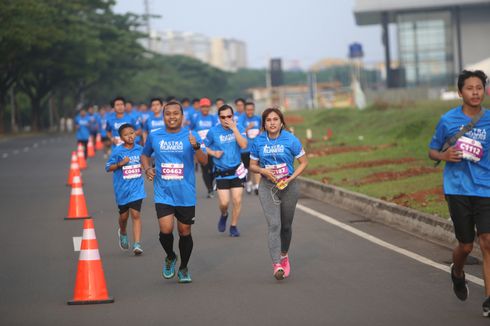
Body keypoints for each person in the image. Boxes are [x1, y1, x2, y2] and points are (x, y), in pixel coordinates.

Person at [429, 70, 490, 317]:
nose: (475, 92)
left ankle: (488, 299)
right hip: (458, 188)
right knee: (465, 245)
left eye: (479, 87)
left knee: (487, 241)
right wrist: (444, 156)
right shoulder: (448, 120)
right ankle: (457, 271)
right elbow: (432, 151)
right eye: (470, 88)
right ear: (460, 92)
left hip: (486, 188)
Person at [141, 101, 208, 283]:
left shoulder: (191, 136)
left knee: (184, 231)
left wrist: (196, 147)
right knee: (166, 229)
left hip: (185, 192)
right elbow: (144, 154)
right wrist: (147, 169)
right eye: (168, 114)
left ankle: (184, 267)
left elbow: (204, 161)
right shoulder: (155, 136)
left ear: (182, 116)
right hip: (163, 191)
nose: (172, 117)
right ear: (163, 117)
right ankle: (170, 256)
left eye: (175, 113)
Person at [249, 107, 308, 280]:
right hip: (268, 187)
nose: (272, 123)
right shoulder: (258, 141)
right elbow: (251, 165)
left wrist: (291, 179)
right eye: (268, 120)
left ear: (281, 122)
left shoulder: (291, 140)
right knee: (274, 224)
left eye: (275, 119)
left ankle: (284, 255)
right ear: (264, 124)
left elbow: (304, 162)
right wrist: (263, 171)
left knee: (286, 226)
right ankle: (276, 266)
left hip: (289, 186)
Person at [204, 104, 248, 237]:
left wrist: (234, 129)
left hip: (236, 171)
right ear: (219, 118)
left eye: (229, 116)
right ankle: (224, 214)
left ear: (233, 116)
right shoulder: (213, 131)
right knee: (224, 203)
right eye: (223, 117)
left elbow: (244, 145)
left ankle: (233, 226)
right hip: (221, 172)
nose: (226, 119)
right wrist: (213, 152)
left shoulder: (239, 128)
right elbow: (202, 146)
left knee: (237, 200)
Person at [106, 123, 146, 255]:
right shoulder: (118, 151)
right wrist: (120, 164)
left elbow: (146, 163)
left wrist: (147, 169)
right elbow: (108, 167)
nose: (130, 136)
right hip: (122, 189)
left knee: (136, 214)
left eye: (132, 133)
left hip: (137, 188)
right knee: (124, 216)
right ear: (121, 138)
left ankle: (137, 244)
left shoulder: (140, 149)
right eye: (126, 134)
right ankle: (122, 231)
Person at [191, 98, 218, 198]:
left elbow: (216, 131)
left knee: (214, 168)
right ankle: (210, 189)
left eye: (207, 106)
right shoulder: (195, 118)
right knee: (205, 169)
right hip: (201, 149)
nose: (205, 109)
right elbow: (191, 131)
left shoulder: (213, 118)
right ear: (200, 107)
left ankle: (213, 183)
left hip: (212, 148)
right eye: (203, 107)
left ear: (209, 107)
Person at [240, 101, 262, 194]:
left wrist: (260, 132)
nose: (250, 111)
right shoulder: (241, 119)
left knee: (256, 166)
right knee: (247, 168)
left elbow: (262, 128)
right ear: (245, 110)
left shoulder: (258, 118)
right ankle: (248, 182)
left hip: (256, 148)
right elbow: (239, 132)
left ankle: (257, 186)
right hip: (245, 148)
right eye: (248, 110)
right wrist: (248, 128)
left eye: (252, 109)